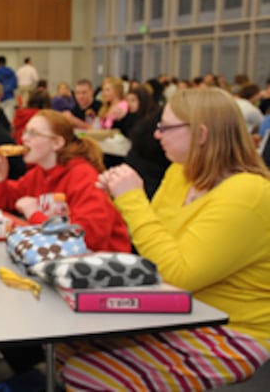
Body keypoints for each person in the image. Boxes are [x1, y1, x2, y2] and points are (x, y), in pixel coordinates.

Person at [58, 88, 270, 390]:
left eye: (166, 127)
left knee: (86, 371)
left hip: (231, 329)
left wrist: (132, 199)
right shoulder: (181, 172)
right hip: (176, 311)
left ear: (201, 134)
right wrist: (110, 202)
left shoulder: (248, 193)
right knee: (65, 346)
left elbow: (178, 274)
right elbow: (151, 246)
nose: (157, 135)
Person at [0, 109, 131, 390]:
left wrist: (35, 215)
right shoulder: (40, 173)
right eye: (24, 132)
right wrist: (0, 178)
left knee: (9, 312)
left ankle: (46, 371)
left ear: (57, 143)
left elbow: (88, 237)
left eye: (33, 134)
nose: (23, 138)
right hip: (58, 267)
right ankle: (37, 371)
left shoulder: (83, 176)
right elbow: (1, 202)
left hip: (97, 275)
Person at [0, 55, 18, 121]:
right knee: (9, 118)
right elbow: (15, 85)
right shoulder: (11, 72)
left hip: (0, 98)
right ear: (6, 62)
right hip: (10, 98)